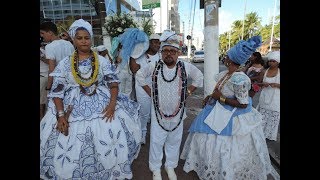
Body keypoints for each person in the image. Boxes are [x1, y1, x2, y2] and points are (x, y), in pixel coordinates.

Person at [40, 19, 142, 180]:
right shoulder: (66, 63)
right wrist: (60, 115)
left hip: (101, 101)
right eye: (79, 38)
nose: (83, 41)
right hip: (71, 106)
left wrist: (112, 105)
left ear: (91, 39)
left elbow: (113, 84)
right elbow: (57, 91)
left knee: (109, 137)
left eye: (86, 38)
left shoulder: (101, 61)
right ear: (73, 40)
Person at [180, 36, 279, 180]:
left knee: (227, 144)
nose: (225, 58)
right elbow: (218, 89)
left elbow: (243, 103)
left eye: (227, 56)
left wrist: (220, 97)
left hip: (232, 116)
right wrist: (210, 96)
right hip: (217, 110)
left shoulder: (239, 78)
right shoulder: (226, 74)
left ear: (231, 60)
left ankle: (229, 171)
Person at [135, 30, 204, 180]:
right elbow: (139, 75)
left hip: (177, 114)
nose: (168, 54)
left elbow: (199, 77)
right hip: (158, 113)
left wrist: (188, 92)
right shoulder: (154, 65)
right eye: (165, 50)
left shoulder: (184, 66)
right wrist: (150, 92)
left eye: (172, 51)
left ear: (178, 53)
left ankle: (170, 165)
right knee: (156, 141)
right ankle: (155, 168)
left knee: (174, 140)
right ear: (161, 52)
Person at [132, 33, 161, 144]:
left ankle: (156, 135)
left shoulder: (161, 56)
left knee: (157, 113)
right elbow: (134, 70)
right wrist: (133, 55)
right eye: (154, 42)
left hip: (157, 87)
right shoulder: (140, 55)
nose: (157, 44)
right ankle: (143, 133)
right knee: (144, 112)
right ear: (148, 43)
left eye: (158, 42)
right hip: (142, 88)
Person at [40, 21, 75, 92]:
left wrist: (48, 87)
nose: (41, 36)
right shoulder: (69, 44)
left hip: (58, 83)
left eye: (42, 33)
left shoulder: (49, 47)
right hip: (71, 81)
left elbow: (51, 70)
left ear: (50, 32)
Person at [257, 50, 280, 141]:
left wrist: (277, 85)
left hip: (276, 99)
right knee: (262, 116)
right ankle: (260, 133)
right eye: (270, 61)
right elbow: (257, 84)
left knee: (273, 117)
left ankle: (269, 136)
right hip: (265, 97)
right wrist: (263, 84)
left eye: (273, 61)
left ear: (278, 62)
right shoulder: (264, 71)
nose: (271, 63)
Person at [40, 43, 49, 120]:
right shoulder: (44, 50)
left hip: (43, 77)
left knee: (41, 101)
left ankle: (42, 118)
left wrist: (41, 57)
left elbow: (49, 62)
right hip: (45, 76)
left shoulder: (43, 51)